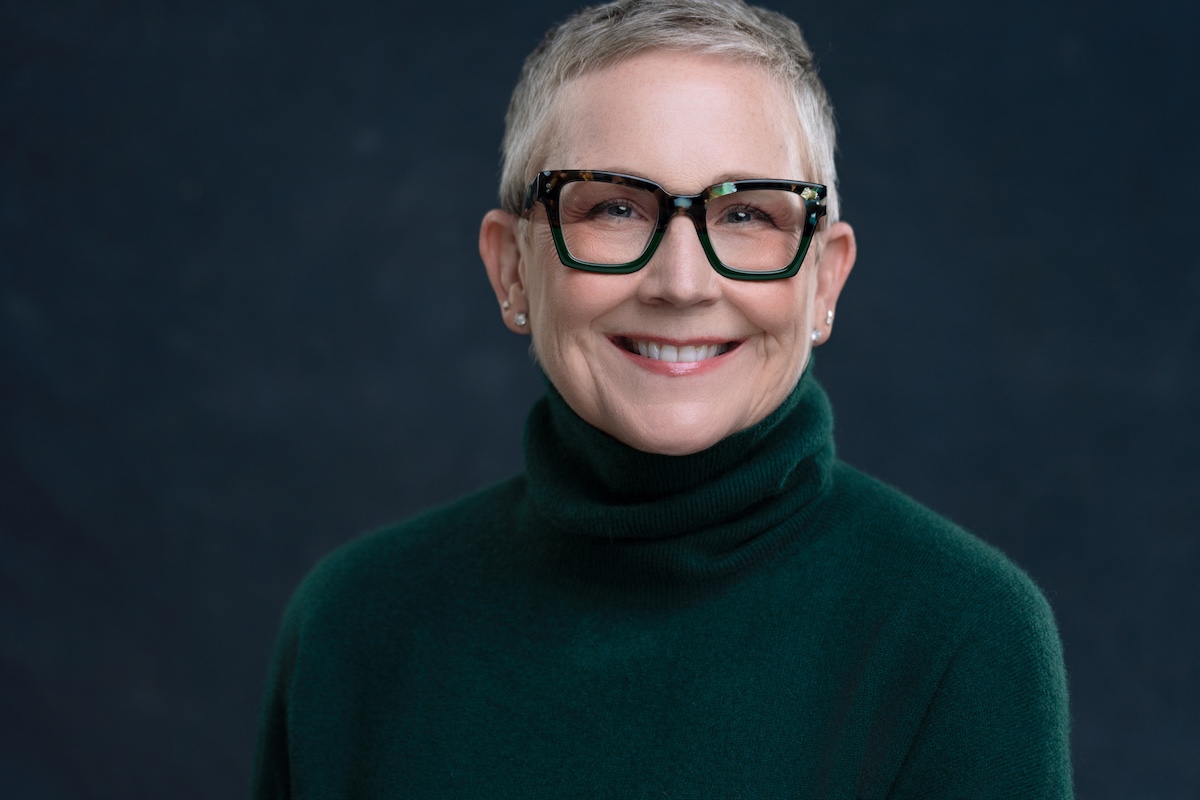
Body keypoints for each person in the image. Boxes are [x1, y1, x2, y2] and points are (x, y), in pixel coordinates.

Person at [251, 1, 1073, 797]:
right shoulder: (355, 625)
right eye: (614, 207)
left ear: (824, 279)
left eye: (748, 213)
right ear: (511, 269)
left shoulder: (961, 634)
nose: (682, 283)